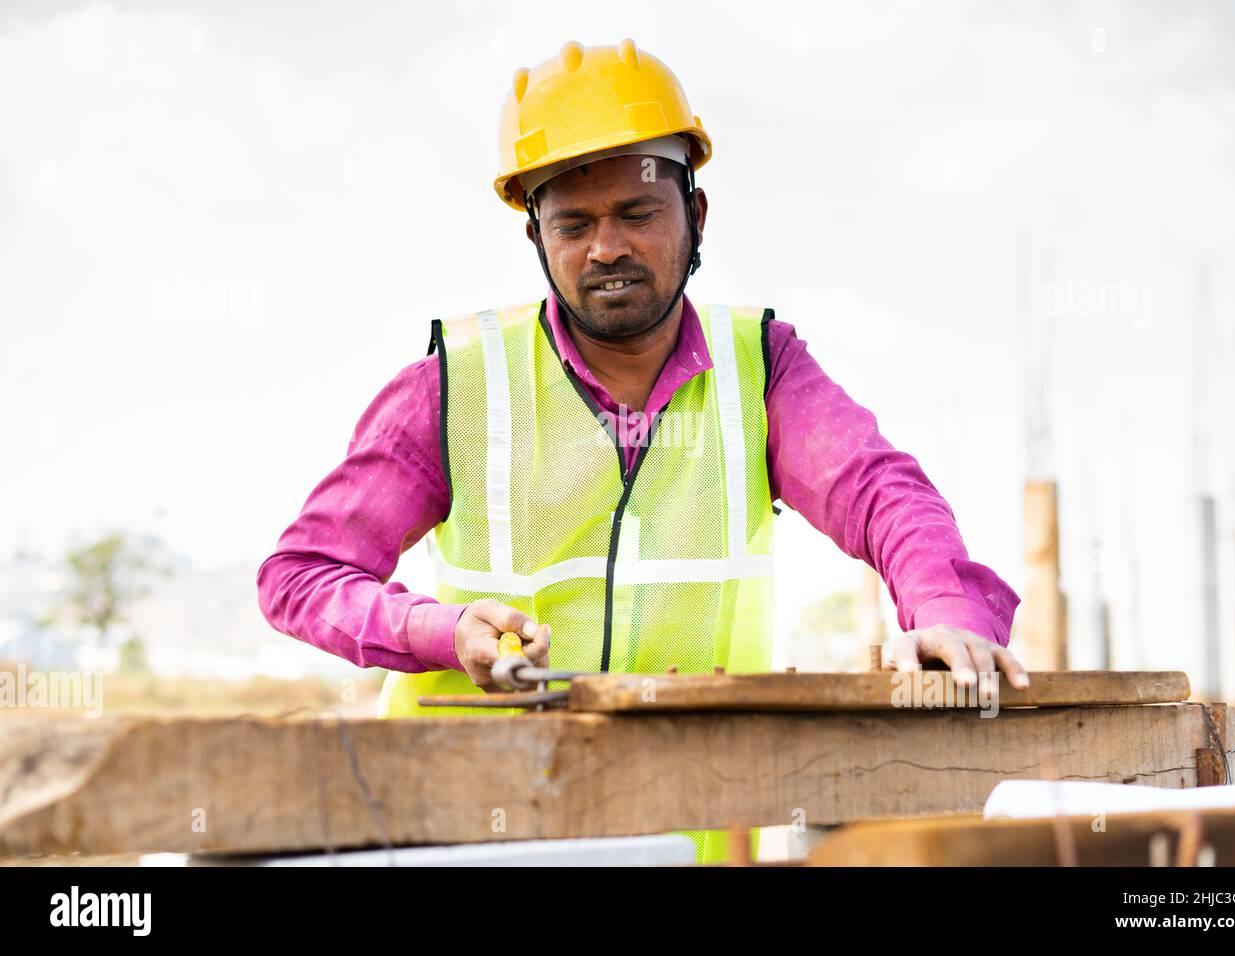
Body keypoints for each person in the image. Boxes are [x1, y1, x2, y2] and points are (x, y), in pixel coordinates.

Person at [257, 39, 1025, 863]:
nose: (606, 249)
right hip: (468, 836)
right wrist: (440, 632)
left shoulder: (759, 372)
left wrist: (946, 617)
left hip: (683, 838)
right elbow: (300, 575)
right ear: (537, 238)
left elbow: (879, 491)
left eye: (638, 212)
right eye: (574, 224)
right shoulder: (456, 387)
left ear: (697, 215)